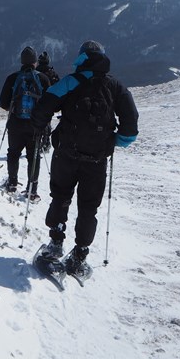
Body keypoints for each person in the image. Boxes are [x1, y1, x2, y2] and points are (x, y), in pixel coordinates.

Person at [31, 40, 139, 276]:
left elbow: (42, 110)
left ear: (81, 59)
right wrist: (113, 142)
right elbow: (130, 129)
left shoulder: (70, 82)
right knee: (89, 207)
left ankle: (56, 243)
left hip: (66, 156)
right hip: (97, 161)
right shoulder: (116, 87)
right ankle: (79, 254)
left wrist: (40, 128)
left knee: (60, 197)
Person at [0, 46, 52, 200]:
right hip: (35, 125)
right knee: (33, 156)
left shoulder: (12, 78)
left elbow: (3, 103)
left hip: (16, 123)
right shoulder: (43, 79)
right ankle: (32, 189)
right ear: (35, 62)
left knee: (13, 153)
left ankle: (12, 183)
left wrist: (14, 108)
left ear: (22, 61)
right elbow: (49, 103)